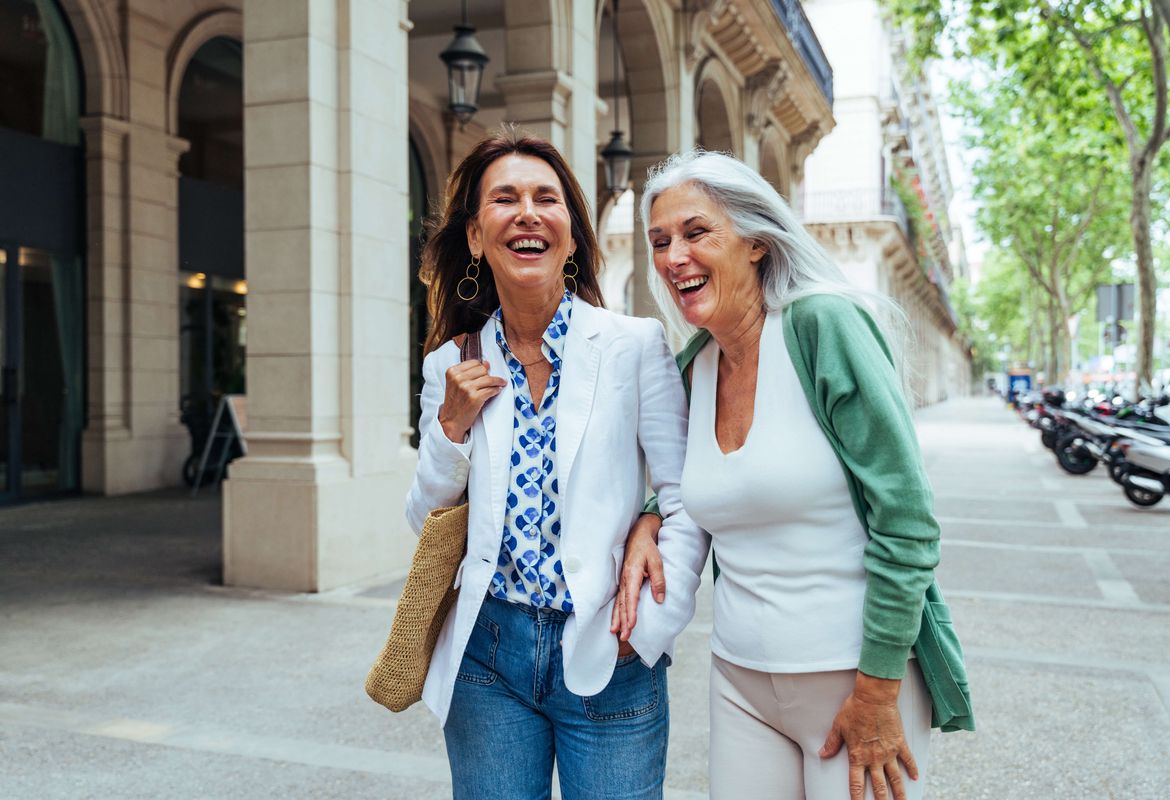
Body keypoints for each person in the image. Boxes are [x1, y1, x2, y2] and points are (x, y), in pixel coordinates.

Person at [612, 150, 974, 800]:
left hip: (856, 678)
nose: (673, 257)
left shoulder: (822, 327)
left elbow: (909, 520)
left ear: (754, 240)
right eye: (660, 241)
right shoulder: (694, 367)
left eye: (696, 233)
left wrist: (879, 687)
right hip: (740, 680)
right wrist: (648, 515)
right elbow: (695, 483)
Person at [404, 132, 708, 800]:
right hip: (487, 660)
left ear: (570, 235)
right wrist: (451, 427)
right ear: (478, 237)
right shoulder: (448, 365)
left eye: (547, 198)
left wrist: (652, 627)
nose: (528, 212)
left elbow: (686, 496)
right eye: (505, 199)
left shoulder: (632, 346)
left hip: (609, 646)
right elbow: (423, 519)